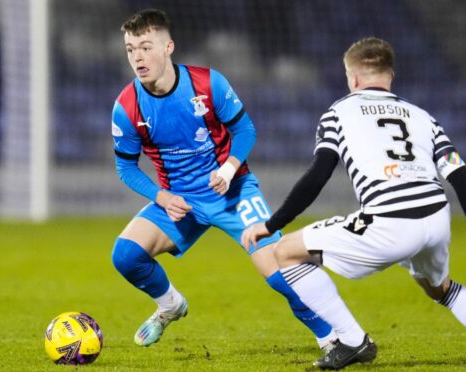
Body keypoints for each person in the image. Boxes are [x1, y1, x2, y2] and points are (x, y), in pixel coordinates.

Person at [242, 37, 466, 370]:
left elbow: (319, 173)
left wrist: (272, 224)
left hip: (390, 219)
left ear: (352, 78)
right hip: (436, 219)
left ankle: (353, 341)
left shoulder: (338, 112)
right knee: (441, 289)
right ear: (390, 76)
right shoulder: (423, 117)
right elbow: (462, 179)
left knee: (285, 252)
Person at [110, 9, 335, 350]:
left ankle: (333, 338)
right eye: (130, 49)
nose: (137, 57)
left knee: (279, 273)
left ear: (168, 47)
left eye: (145, 46)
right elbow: (126, 167)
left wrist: (229, 169)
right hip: (180, 202)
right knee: (125, 255)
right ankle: (170, 305)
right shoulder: (127, 107)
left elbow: (244, 129)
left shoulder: (207, 83)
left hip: (233, 193)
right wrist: (161, 197)